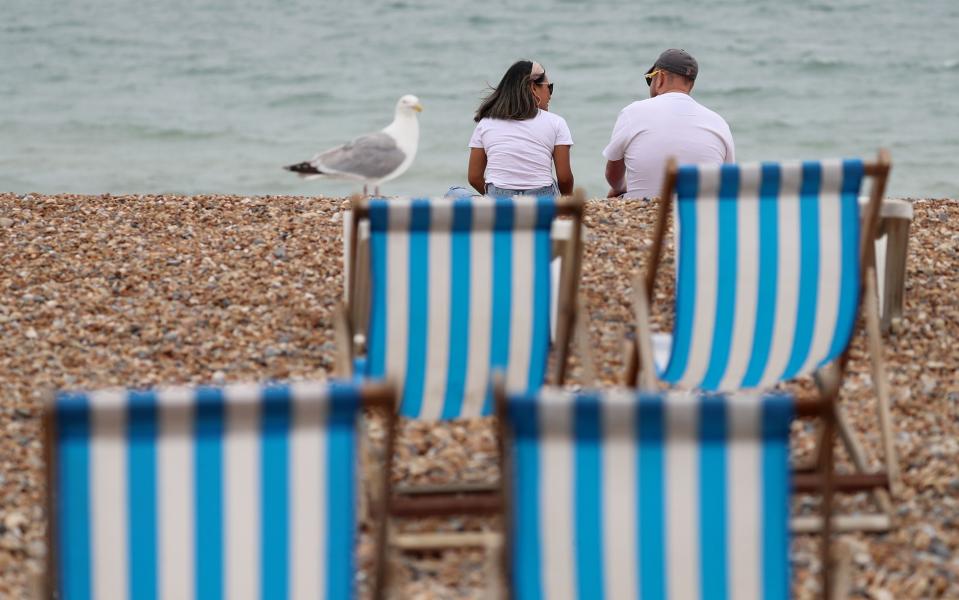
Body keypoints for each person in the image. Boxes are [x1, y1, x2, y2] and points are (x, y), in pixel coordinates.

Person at [603, 49, 735, 199]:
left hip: (645, 211)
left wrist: (619, 187)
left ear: (660, 78)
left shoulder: (632, 112)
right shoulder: (718, 122)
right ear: (690, 84)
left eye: (650, 79)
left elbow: (613, 175)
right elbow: (727, 180)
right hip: (698, 215)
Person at [468, 60, 574, 197]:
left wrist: (497, 198)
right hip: (542, 201)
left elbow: (474, 177)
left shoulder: (486, 123)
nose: (550, 95)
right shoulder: (556, 122)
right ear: (533, 88)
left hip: (499, 202)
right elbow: (564, 178)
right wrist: (567, 201)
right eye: (549, 87)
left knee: (455, 192)